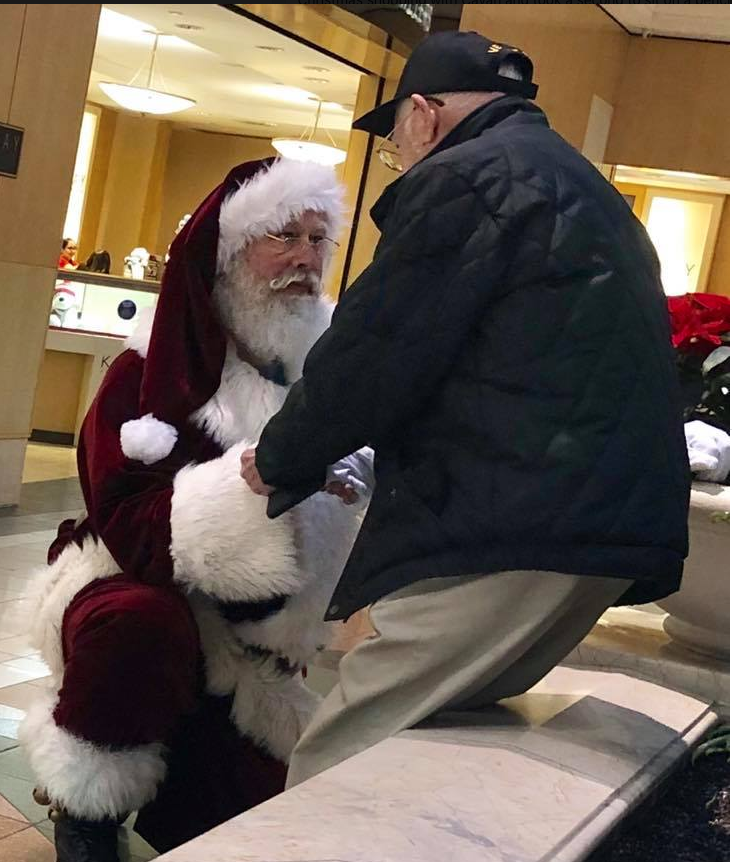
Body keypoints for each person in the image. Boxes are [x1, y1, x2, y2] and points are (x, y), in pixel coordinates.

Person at [241, 31, 691, 788]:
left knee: (338, 758)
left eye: (394, 143)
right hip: (604, 519)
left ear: (423, 113)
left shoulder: (467, 179)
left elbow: (378, 348)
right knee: (437, 733)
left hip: (518, 517)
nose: (402, 156)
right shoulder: (581, 185)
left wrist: (283, 457)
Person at [21, 157, 371, 862]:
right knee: (139, 623)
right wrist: (249, 480)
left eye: (319, 238)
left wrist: (346, 491)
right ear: (229, 250)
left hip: (252, 648)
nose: (306, 259)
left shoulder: (325, 380)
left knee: (249, 841)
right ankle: (87, 815)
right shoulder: (142, 377)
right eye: (283, 235)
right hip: (131, 597)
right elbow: (132, 528)